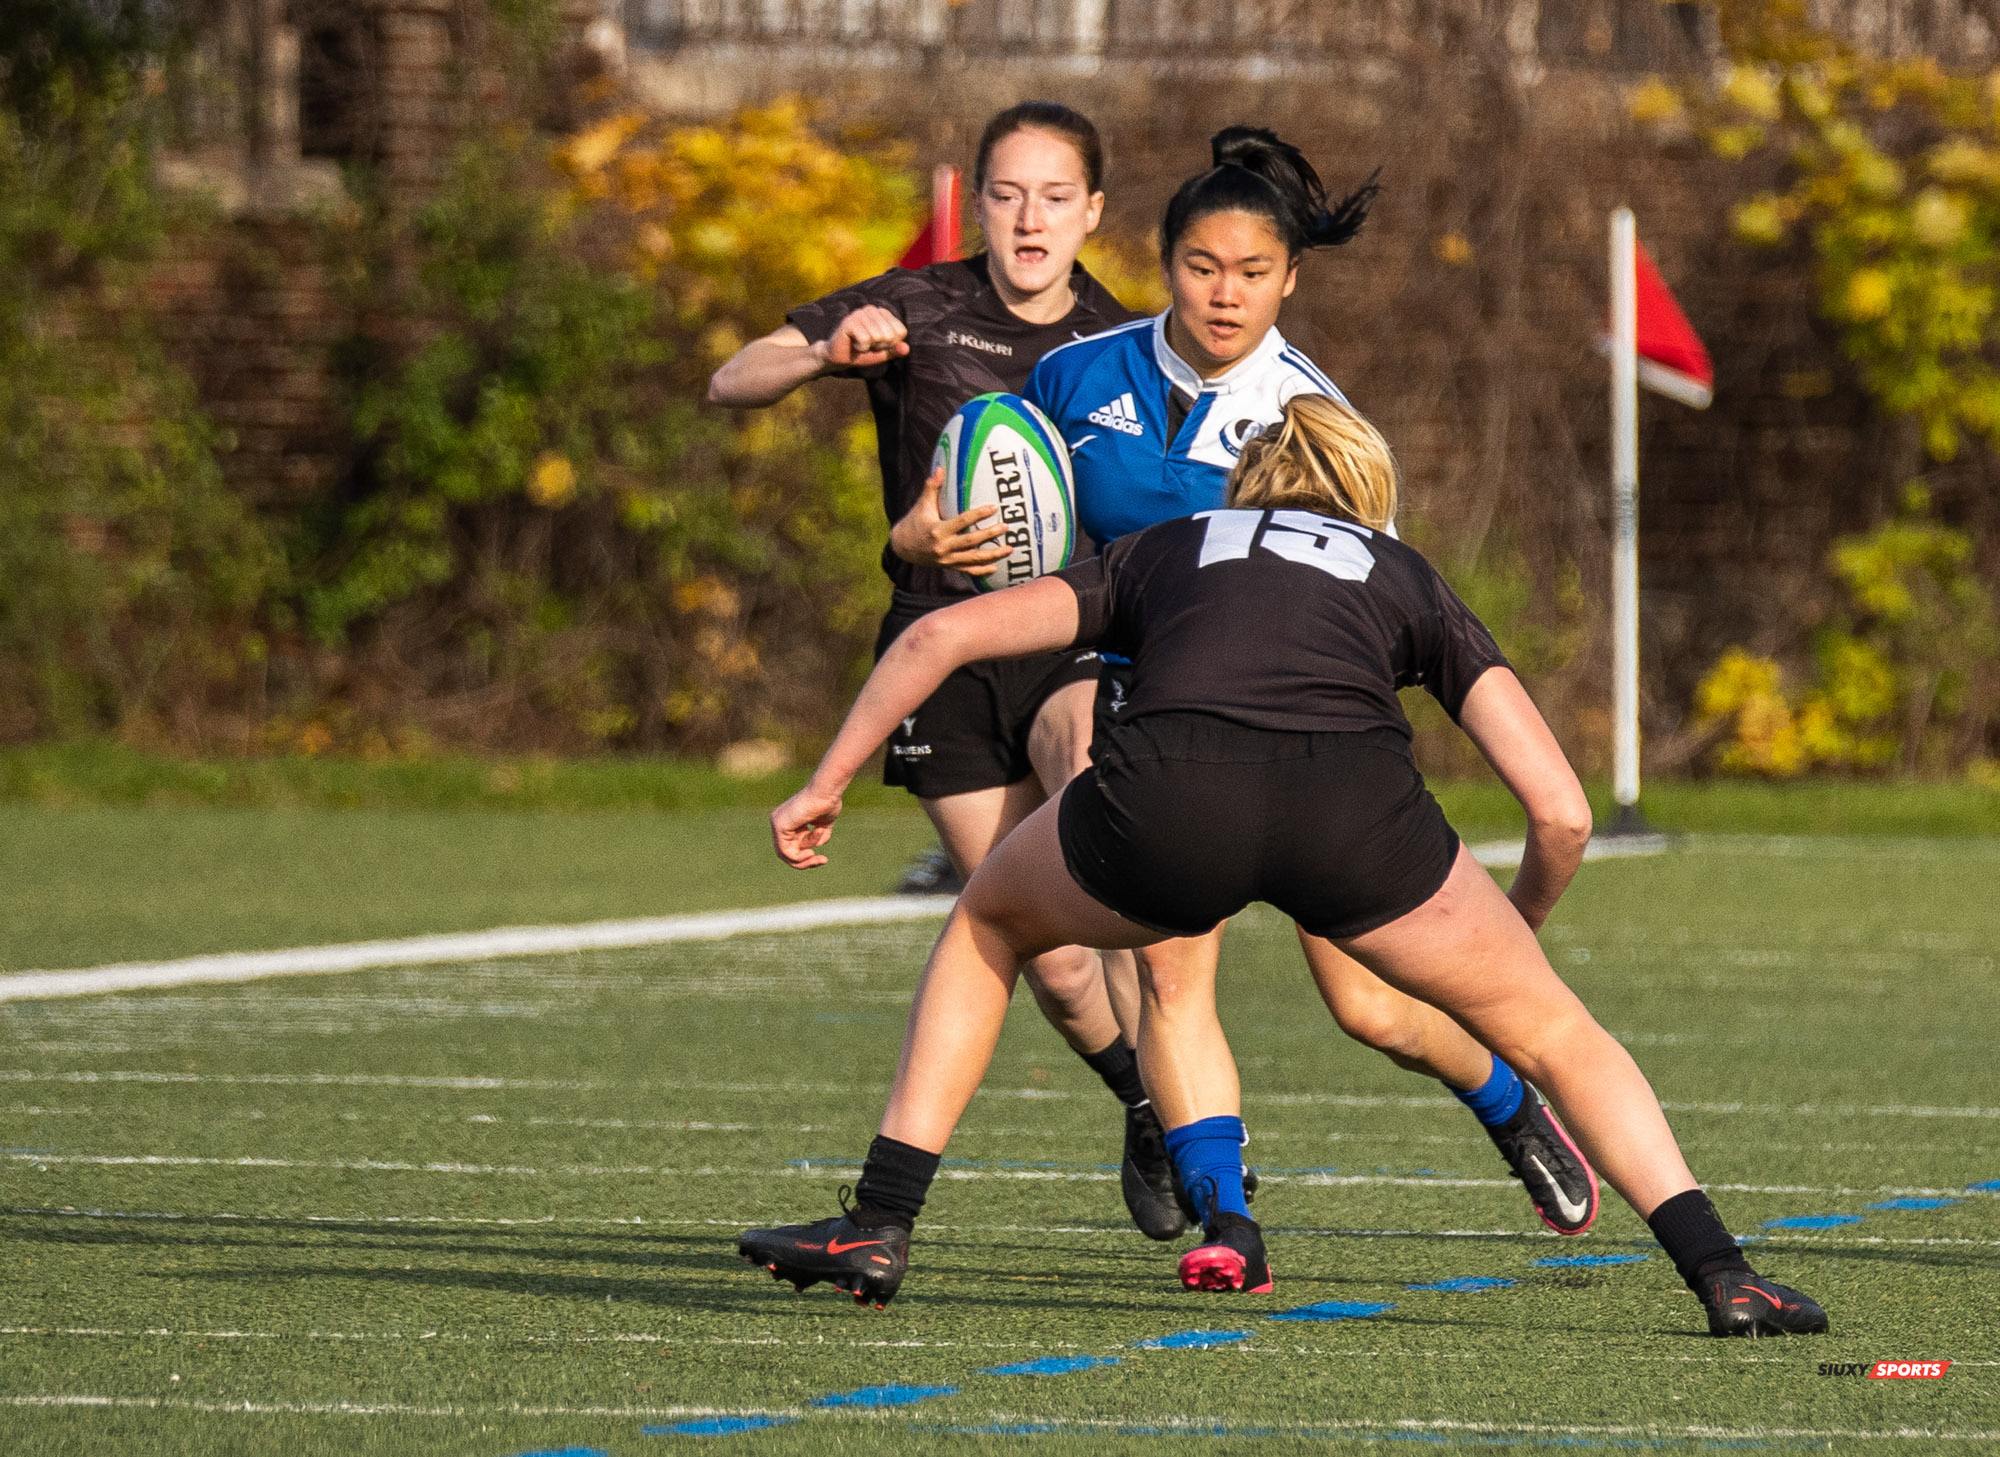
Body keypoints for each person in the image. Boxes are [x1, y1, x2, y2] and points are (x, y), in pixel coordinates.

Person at [739, 393, 1829, 1341]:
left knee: (988, 922)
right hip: (1350, 813)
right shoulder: (1401, 571)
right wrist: (1512, 940)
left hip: (1171, 799)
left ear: (1245, 485)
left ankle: (880, 1221)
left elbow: (936, 639)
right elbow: (1562, 811)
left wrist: (824, 782)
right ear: (1366, 496)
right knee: (1557, 1033)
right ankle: (1723, 1273)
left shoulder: (1165, 545)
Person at [1016, 126, 1596, 1236]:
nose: (1223, 293)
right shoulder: (1071, 375)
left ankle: (1505, 1099)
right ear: (1163, 261)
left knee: (1370, 1005)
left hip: (1302, 736)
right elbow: (1027, 520)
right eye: (1200, 265)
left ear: (1290, 278)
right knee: (1165, 978)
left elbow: (1372, 606)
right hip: (1155, 724)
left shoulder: (1315, 422)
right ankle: (1209, 1193)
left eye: (1251, 271)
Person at [705, 103, 1185, 1240]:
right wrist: (822, 351)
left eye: (1055, 197)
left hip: (1067, 639)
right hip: (937, 643)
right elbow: (732, 378)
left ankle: (1193, 1121)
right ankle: (1141, 1104)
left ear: (1092, 211)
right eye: (1007, 195)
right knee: (1049, 958)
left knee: (1105, 839)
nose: (1030, 219)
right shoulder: (916, 305)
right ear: (980, 203)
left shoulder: (1121, 345)